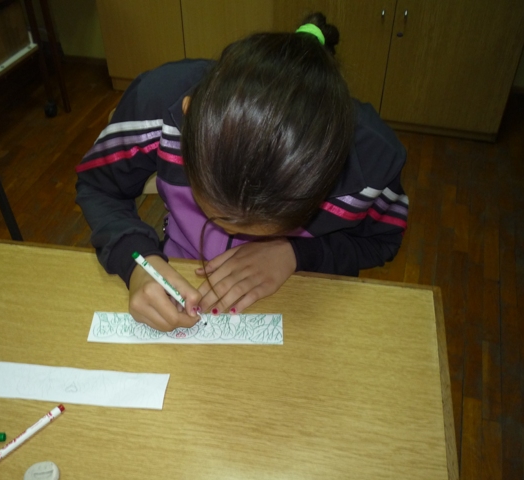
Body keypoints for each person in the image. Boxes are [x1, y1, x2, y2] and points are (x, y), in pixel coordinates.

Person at [76, 13, 409, 332]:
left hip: (306, 298)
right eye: (217, 215)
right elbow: (99, 186)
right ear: (188, 118)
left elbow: (380, 242)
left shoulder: (372, 161)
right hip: (182, 271)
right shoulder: (159, 100)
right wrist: (137, 260)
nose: (233, 231)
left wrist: (298, 253)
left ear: (329, 173)